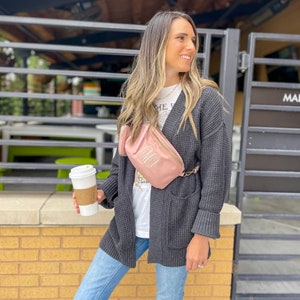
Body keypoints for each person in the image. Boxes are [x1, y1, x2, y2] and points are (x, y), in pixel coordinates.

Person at [73, 10, 231, 300]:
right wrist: (102, 192)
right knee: (87, 295)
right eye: (181, 38)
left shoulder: (204, 99)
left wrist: (202, 233)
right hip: (128, 223)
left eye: (193, 40)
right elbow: (122, 161)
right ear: (157, 43)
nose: (191, 47)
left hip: (179, 223)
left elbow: (217, 171)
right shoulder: (137, 96)